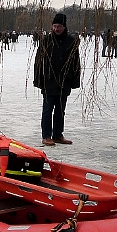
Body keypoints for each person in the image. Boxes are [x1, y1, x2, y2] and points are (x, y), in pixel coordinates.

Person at [33, 13, 81, 146]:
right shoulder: (46, 41)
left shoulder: (71, 42)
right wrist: (39, 80)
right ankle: (46, 135)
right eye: (54, 26)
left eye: (59, 26)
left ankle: (58, 134)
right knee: (47, 110)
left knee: (60, 111)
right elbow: (38, 62)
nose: (56, 29)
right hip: (48, 82)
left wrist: (75, 81)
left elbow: (76, 63)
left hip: (64, 82)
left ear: (64, 27)